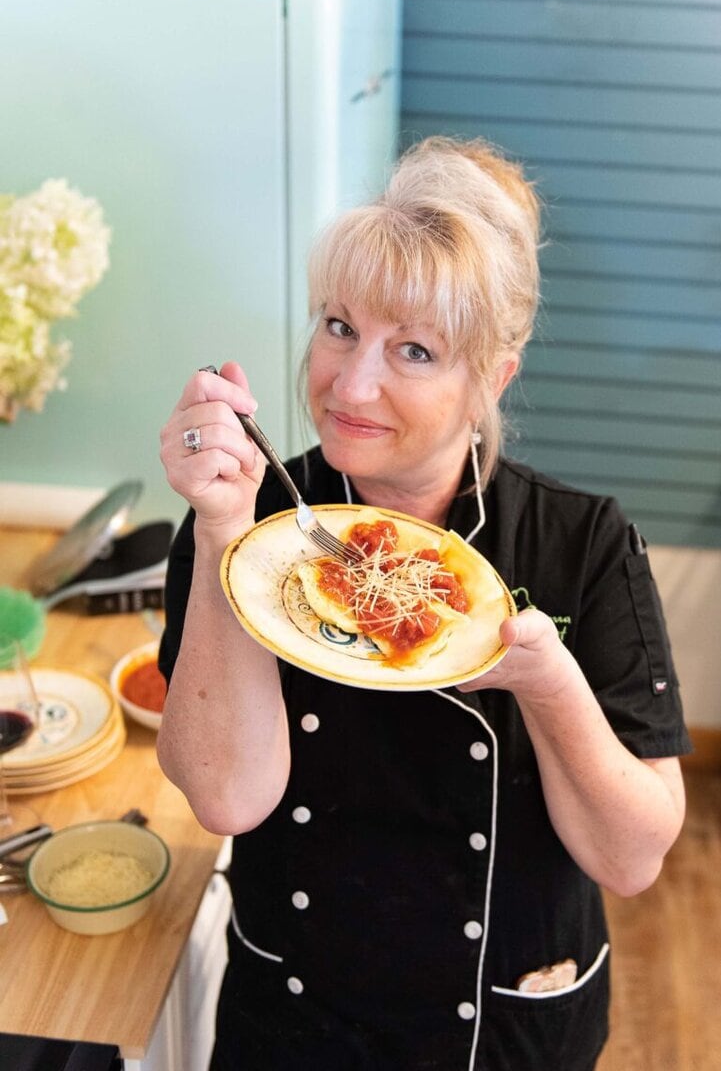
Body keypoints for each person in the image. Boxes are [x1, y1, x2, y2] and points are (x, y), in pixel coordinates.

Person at [157, 136, 690, 1071]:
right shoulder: (250, 515)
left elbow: (632, 859)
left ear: (491, 377)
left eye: (414, 349)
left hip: (501, 1028)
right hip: (294, 1018)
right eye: (337, 326)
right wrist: (218, 531)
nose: (351, 385)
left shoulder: (582, 542)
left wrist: (546, 683)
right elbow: (225, 797)